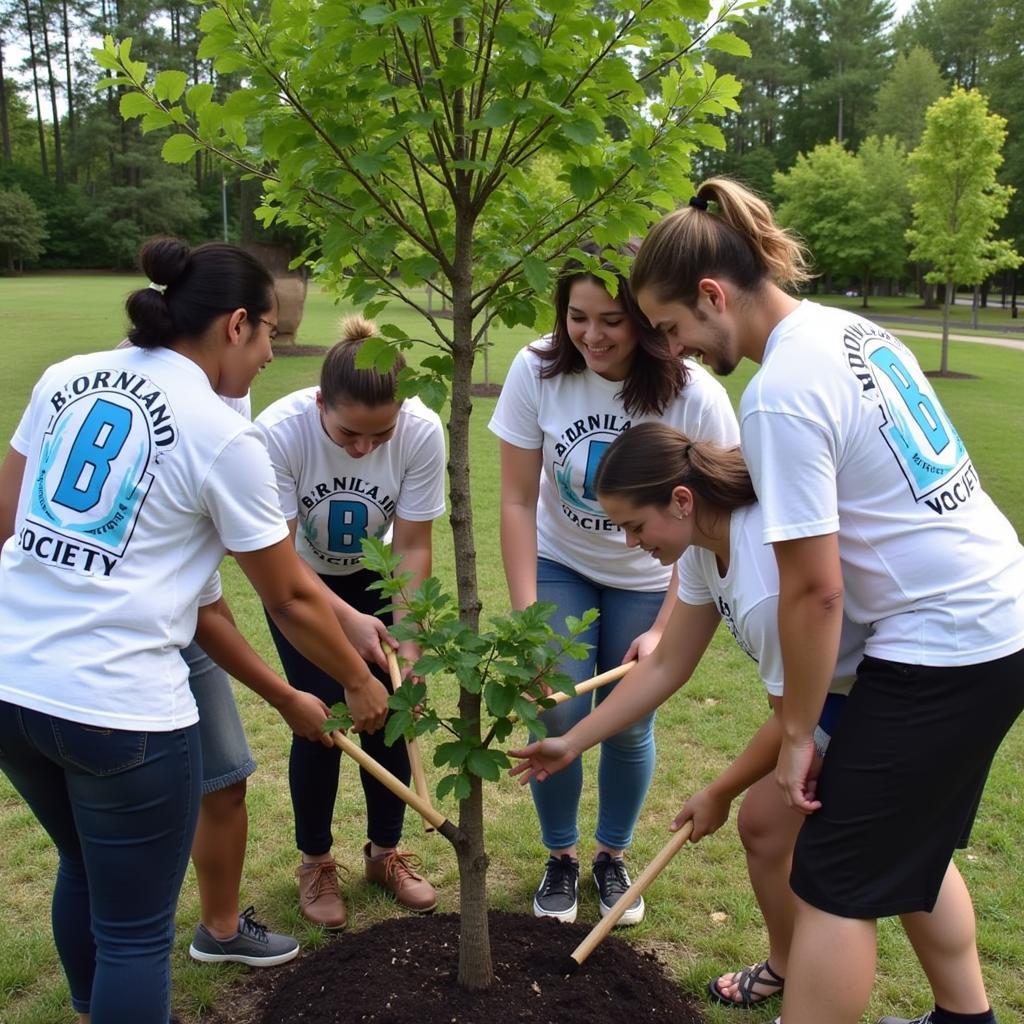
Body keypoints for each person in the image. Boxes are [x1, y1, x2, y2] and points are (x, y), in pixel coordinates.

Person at [630, 180, 1024, 1024]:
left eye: (674, 330)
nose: (682, 352)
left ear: (712, 294)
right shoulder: (850, 329)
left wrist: (801, 736)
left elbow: (815, 591)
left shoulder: (778, 391)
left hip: (944, 643)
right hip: (991, 619)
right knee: (904, 849)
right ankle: (966, 1019)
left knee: (837, 885)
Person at [0, 237, 391, 1024]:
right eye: (272, 335)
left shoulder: (64, 378)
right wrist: (355, 678)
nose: (271, 355)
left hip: (11, 686)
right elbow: (287, 597)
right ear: (235, 324)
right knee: (137, 935)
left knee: (83, 867)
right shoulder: (221, 434)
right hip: (121, 712)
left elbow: (8, 519)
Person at [509, 422, 866, 1011]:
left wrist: (719, 791)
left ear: (680, 500)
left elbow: (793, 720)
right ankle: (788, 964)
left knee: (831, 849)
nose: (629, 544)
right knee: (767, 828)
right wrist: (572, 741)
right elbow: (667, 663)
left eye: (634, 526)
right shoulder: (703, 548)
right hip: (835, 692)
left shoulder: (763, 583)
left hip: (868, 693)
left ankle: (815, 978)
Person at [487, 242, 739, 926]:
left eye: (611, 321)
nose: (591, 336)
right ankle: (561, 858)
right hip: (559, 563)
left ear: (648, 322)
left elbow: (710, 517)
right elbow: (514, 500)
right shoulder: (537, 370)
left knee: (628, 722)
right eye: (577, 317)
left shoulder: (695, 396)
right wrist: (526, 618)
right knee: (557, 707)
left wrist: (663, 628)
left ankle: (610, 855)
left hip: (654, 575)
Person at [254, 315, 446, 929]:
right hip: (298, 584)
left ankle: (385, 855)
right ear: (320, 404)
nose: (364, 449)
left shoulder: (421, 430)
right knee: (321, 717)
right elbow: (279, 560)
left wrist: (408, 647)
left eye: (378, 435)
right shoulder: (277, 434)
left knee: (391, 711)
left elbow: (414, 545)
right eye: (347, 436)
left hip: (378, 574)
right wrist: (347, 622)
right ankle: (315, 861)